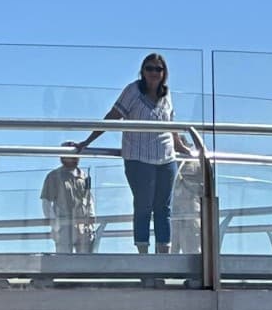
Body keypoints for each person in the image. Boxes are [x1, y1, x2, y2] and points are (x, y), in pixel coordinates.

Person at [72, 54, 193, 253]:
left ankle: (163, 259)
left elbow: (171, 127)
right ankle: (144, 257)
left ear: (164, 73)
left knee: (164, 208)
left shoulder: (167, 93)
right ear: (142, 71)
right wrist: (87, 141)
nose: (154, 73)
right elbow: (113, 116)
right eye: (149, 68)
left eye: (158, 69)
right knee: (144, 206)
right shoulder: (133, 91)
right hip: (139, 158)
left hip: (166, 158)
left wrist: (184, 148)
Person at [40, 142, 96, 253]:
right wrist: (55, 225)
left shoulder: (83, 176)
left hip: (83, 227)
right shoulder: (54, 176)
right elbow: (46, 203)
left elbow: (89, 199)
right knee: (64, 263)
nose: (72, 158)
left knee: (85, 264)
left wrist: (91, 220)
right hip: (64, 226)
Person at [171, 155, 203, 254]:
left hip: (191, 212)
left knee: (192, 251)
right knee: (169, 254)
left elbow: (203, 187)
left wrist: (184, 182)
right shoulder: (167, 160)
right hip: (172, 213)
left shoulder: (195, 160)